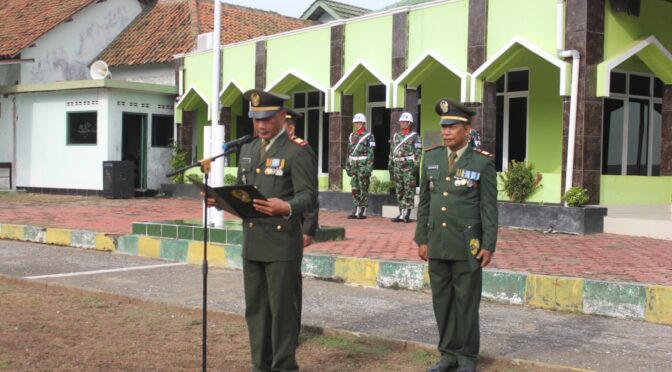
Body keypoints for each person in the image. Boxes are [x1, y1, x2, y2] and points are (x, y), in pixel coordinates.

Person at [236, 89, 318, 371]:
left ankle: (283, 365)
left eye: (267, 119)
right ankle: (261, 364)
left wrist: (287, 207)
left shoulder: (297, 151)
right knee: (256, 310)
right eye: (256, 119)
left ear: (282, 117)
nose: (261, 125)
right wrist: (221, 198)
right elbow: (242, 191)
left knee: (282, 311)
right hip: (253, 242)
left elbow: (309, 196)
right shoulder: (247, 150)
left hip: (282, 244)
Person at [414, 98, 498, 372]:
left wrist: (488, 244)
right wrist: (421, 239)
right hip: (437, 242)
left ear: (467, 129)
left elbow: (488, 208)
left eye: (452, 127)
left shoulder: (482, 163)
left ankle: (467, 358)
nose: (446, 132)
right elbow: (424, 202)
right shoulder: (432, 157)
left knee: (466, 303)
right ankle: (448, 354)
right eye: (444, 127)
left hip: (467, 245)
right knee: (443, 302)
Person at [283, 107, 318, 247]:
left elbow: (310, 191)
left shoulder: (301, 150)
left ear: (290, 129)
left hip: (293, 218)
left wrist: (308, 228)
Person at [388, 111, 422, 223]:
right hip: (397, 166)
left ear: (409, 123)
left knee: (409, 190)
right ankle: (401, 212)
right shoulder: (396, 136)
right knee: (399, 190)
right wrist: (391, 165)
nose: (402, 123)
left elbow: (418, 152)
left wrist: (415, 167)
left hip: (408, 167)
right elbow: (392, 152)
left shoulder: (415, 136)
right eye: (401, 121)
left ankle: (407, 213)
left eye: (404, 122)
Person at [345, 113, 375, 219]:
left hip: (363, 165)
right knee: (354, 187)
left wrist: (369, 168)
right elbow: (349, 152)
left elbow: (371, 153)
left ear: (363, 123)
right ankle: (356, 208)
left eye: (359, 122)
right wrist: (347, 166)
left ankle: (363, 209)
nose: (357, 124)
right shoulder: (351, 136)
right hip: (353, 165)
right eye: (355, 123)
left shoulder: (369, 136)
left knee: (363, 187)